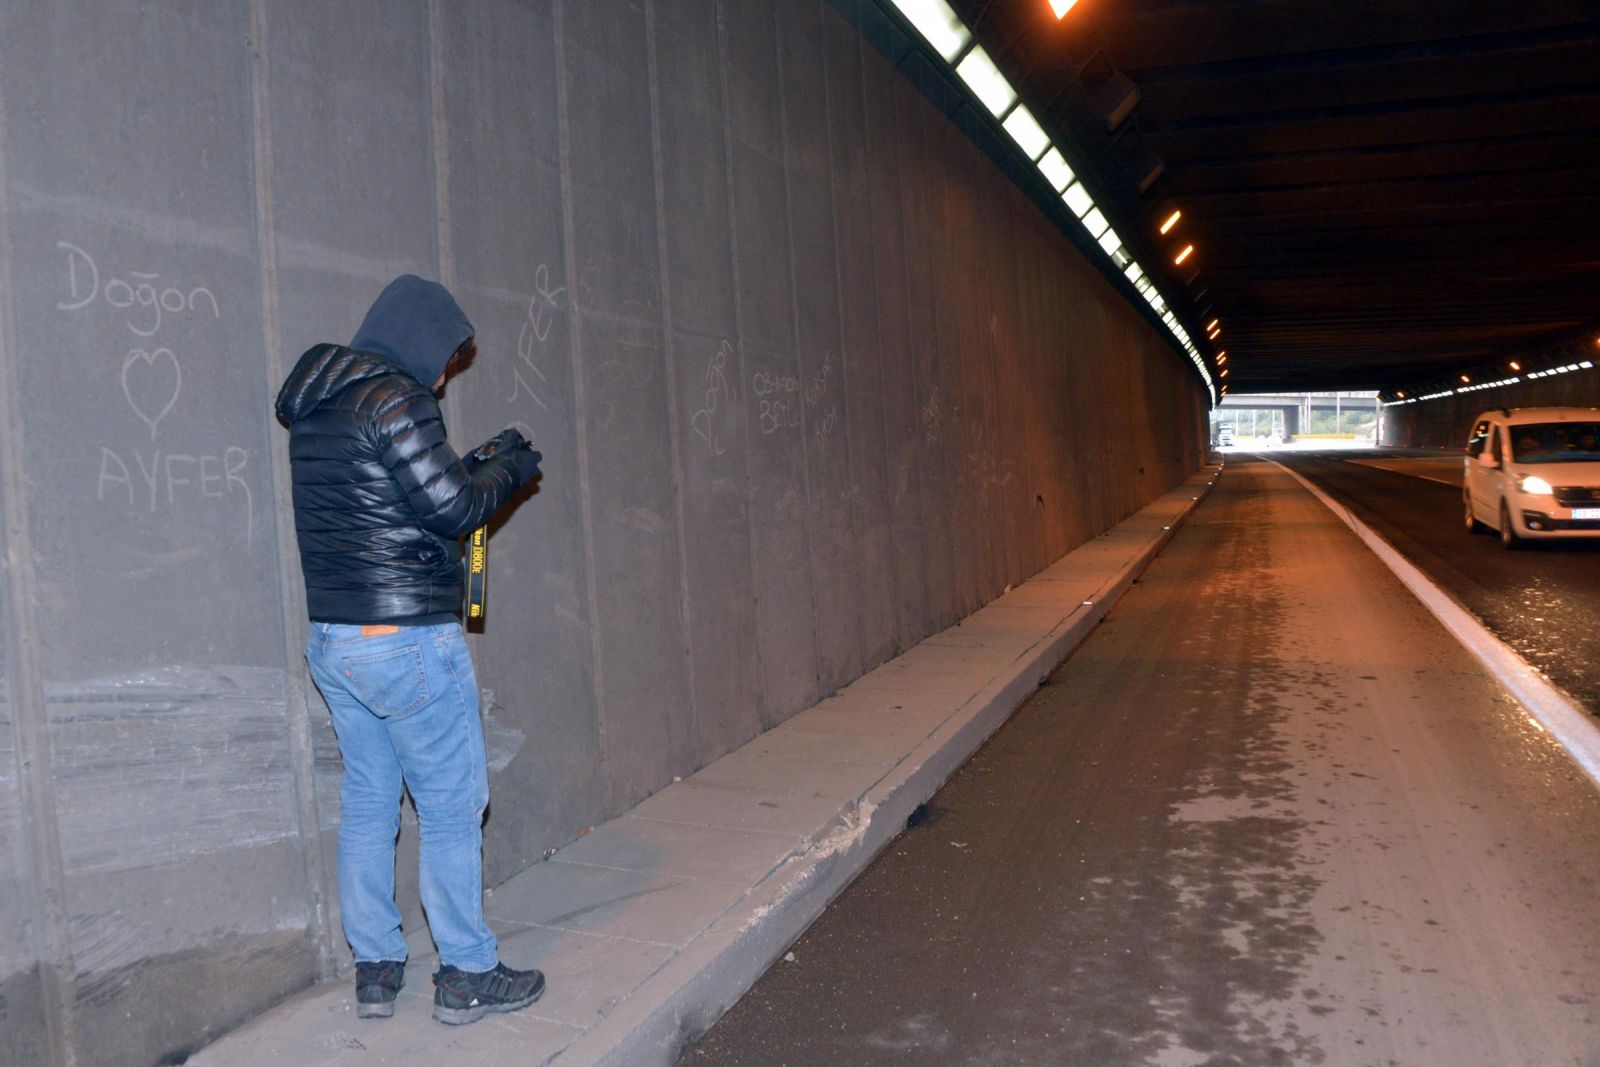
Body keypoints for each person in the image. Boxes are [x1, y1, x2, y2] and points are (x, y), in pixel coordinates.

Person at [275, 275, 545, 1025]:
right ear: (422, 340)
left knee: (368, 798)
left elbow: (401, 501)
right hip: (406, 640)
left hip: (336, 639)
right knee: (454, 804)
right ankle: (465, 970)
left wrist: (475, 464)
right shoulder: (396, 397)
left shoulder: (323, 403)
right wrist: (510, 471)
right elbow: (457, 507)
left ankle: (376, 966)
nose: (441, 380)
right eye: (444, 363)